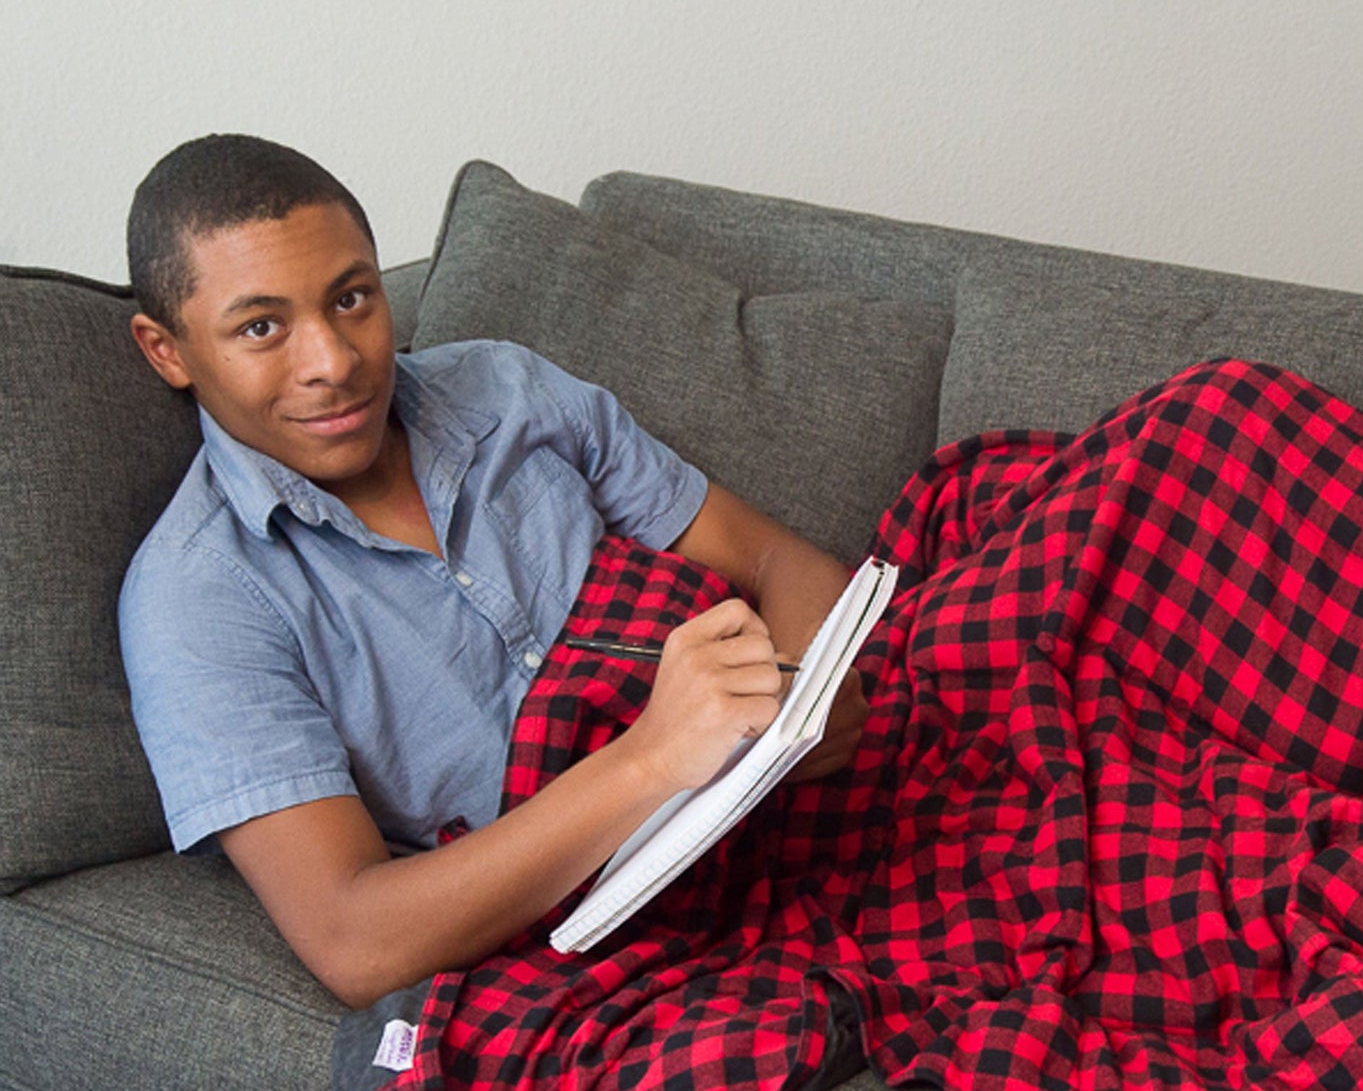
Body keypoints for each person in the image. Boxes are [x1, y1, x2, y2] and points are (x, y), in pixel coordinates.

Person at [119, 133, 868, 1011]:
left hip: (787, 812)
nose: (334, 360)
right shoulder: (199, 599)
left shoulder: (508, 391)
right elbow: (352, 939)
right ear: (166, 351)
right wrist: (654, 758)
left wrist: (798, 704)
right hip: (622, 909)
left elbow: (778, 559)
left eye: (353, 298)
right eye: (261, 327)